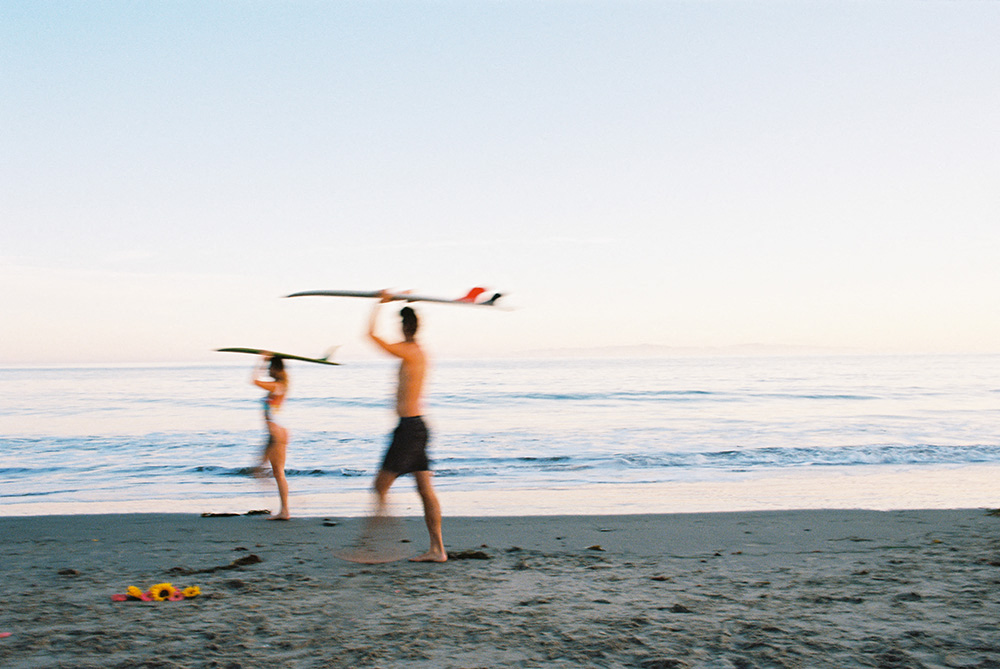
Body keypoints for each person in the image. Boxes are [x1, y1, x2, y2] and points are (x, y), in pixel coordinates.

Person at [366, 292, 447, 562]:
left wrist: (379, 304)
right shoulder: (418, 352)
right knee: (425, 490)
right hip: (416, 427)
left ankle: (382, 546)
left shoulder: (409, 351)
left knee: (380, 487)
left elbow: (371, 336)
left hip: (410, 430)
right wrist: (403, 304)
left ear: (404, 327)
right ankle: (437, 550)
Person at [252, 354, 291, 520]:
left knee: (274, 472)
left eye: (270, 367)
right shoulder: (281, 385)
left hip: (276, 433)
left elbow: (254, 381)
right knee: (262, 471)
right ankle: (284, 509)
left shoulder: (277, 386)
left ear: (276, 369)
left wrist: (261, 361)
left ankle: (285, 510)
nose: (268, 370)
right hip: (275, 432)